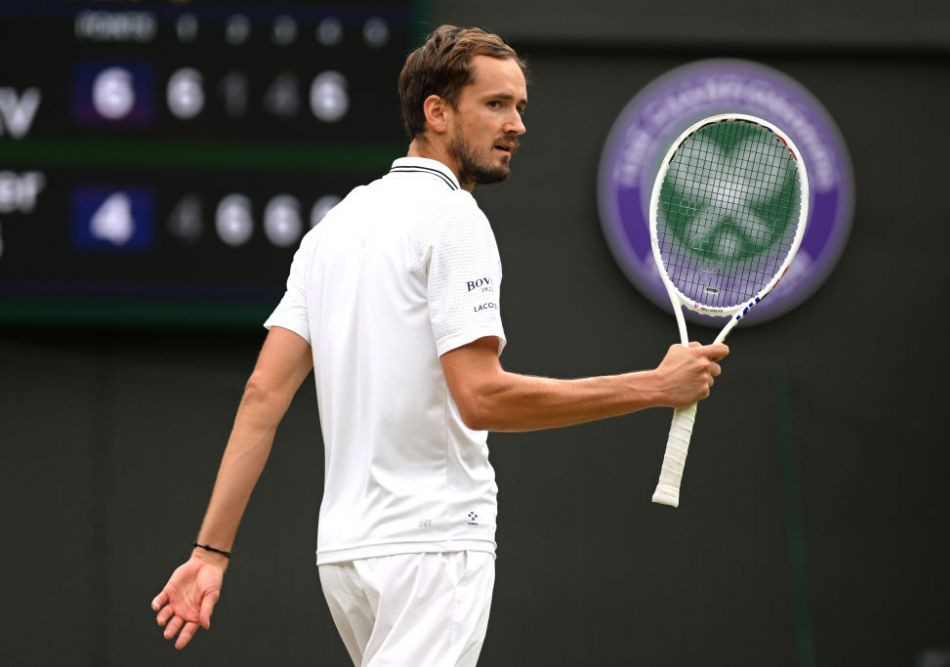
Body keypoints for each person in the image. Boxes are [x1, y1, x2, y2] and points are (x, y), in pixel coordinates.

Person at [151, 25, 728, 666]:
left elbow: (264, 393)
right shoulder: (456, 219)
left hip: (346, 557)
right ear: (437, 112)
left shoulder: (333, 227)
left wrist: (210, 552)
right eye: (496, 104)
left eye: (520, 107)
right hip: (432, 546)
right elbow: (481, 398)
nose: (517, 124)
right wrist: (654, 386)